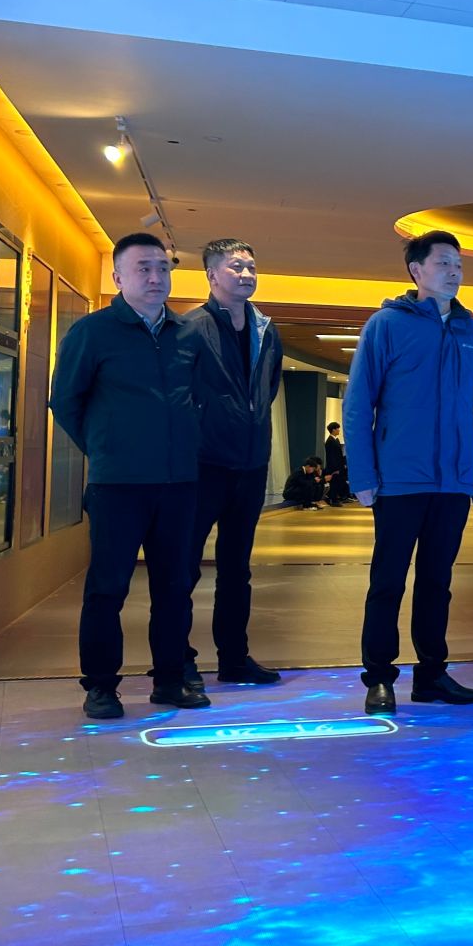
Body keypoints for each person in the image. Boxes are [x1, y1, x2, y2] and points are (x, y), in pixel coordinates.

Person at [48, 233, 207, 719]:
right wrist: (105, 448)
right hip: (117, 486)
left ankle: (171, 679)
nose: (156, 277)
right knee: (107, 588)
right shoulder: (92, 333)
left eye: (163, 268)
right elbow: (65, 401)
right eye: (143, 268)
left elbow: (198, 400)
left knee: (175, 588)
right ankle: (100, 686)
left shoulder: (188, 335)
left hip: (178, 485)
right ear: (118, 277)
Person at [345, 231, 473, 715]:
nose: (454, 272)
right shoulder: (387, 324)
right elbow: (358, 403)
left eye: (458, 264)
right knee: (388, 581)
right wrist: (362, 475)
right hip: (398, 479)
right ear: (416, 270)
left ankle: (432, 675)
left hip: (453, 482)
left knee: (437, 581)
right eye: (444, 262)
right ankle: (379, 678)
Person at [178, 239, 285, 689]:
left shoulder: (266, 330)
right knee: (182, 567)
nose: (246, 274)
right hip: (202, 464)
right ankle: (177, 661)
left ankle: (234, 658)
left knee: (237, 569)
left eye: (251, 267)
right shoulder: (190, 328)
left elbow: (266, 388)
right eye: (236, 267)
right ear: (211, 275)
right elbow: (179, 394)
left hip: (250, 464)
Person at [323, 421, 349, 504]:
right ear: (333, 430)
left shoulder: (336, 440)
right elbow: (331, 457)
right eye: (338, 428)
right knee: (334, 483)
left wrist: (343, 464)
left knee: (339, 482)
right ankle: (333, 500)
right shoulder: (329, 441)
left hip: (339, 466)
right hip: (334, 467)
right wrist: (335, 468)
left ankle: (340, 497)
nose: (339, 430)